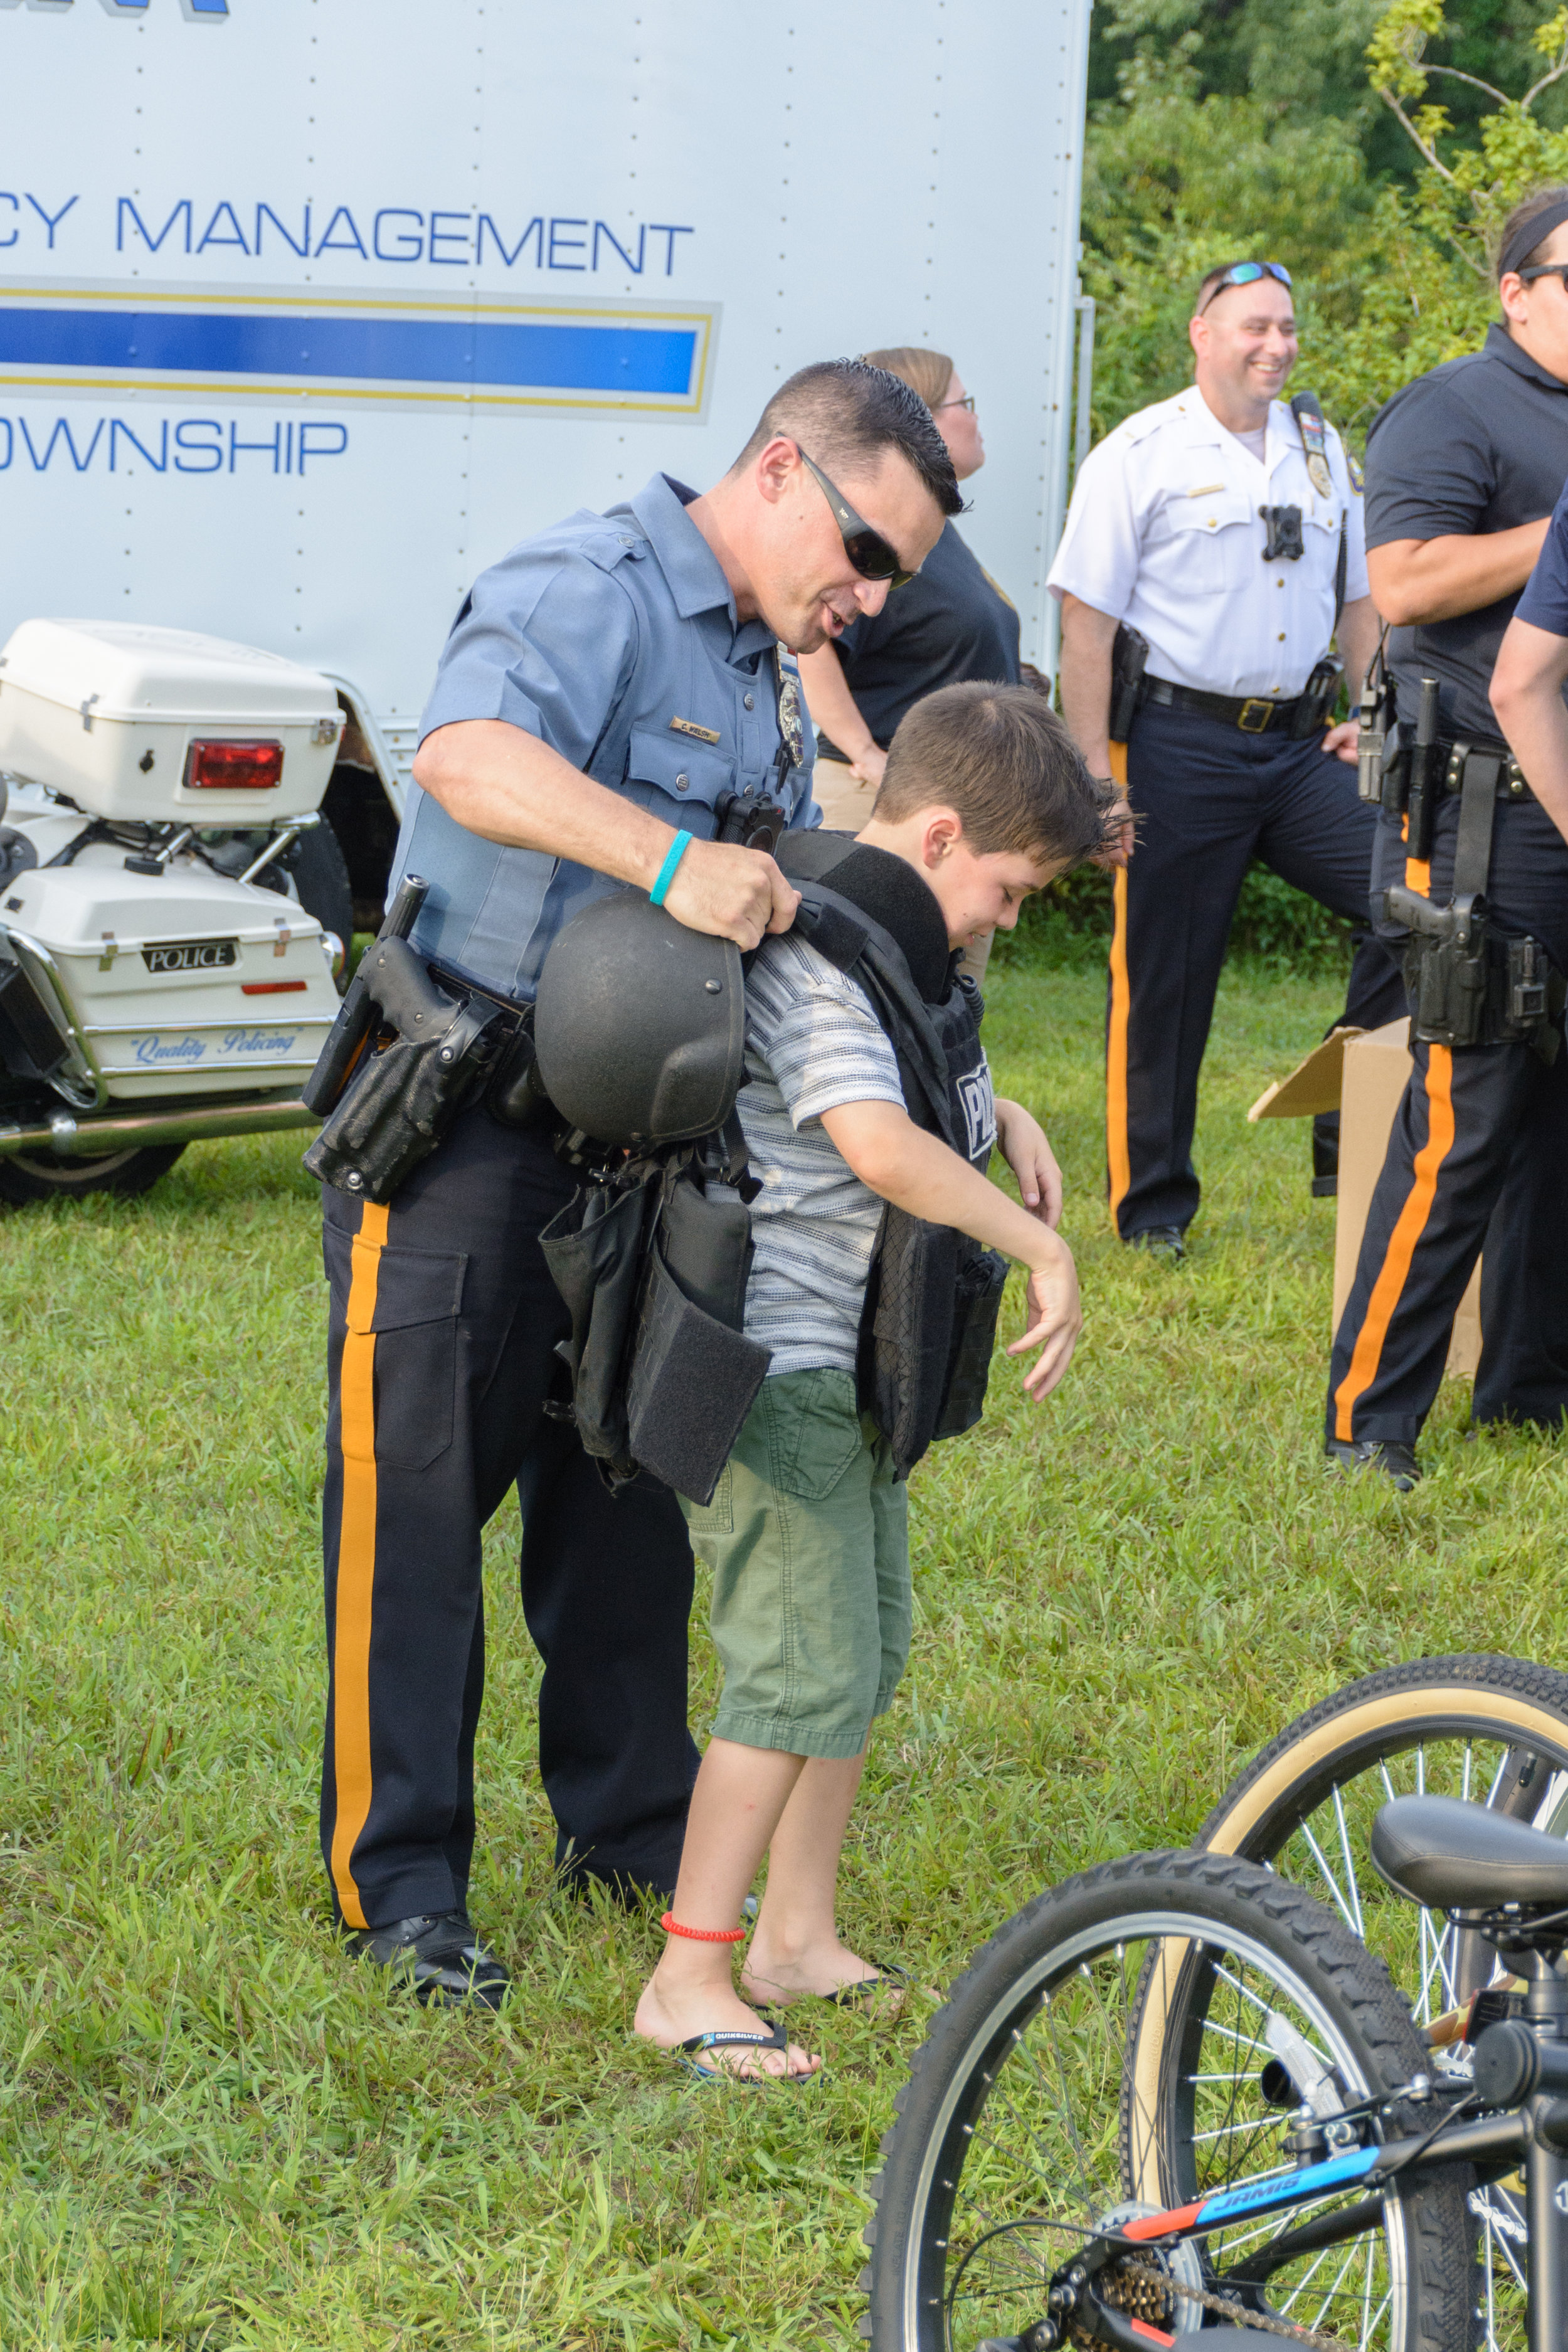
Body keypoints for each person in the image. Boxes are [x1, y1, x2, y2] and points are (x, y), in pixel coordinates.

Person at [316, 359, 960, 2007]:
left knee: (620, 1481)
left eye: (891, 574)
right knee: (419, 1503)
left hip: (637, 1141)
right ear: (773, 471)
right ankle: (402, 1881)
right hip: (463, 1111)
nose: (867, 596)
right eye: (863, 551)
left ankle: (628, 1823)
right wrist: (666, 856)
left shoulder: (765, 662)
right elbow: (462, 754)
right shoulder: (588, 581)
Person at [632, 683, 1101, 2080]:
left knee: (860, 1649)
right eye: (1009, 893)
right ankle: (688, 1971)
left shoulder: (898, 951)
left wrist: (1002, 1111)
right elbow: (872, 1145)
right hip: (772, 1375)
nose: (1002, 924)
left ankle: (796, 1936)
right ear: (943, 837)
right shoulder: (818, 954)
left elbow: (916, 1091)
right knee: (791, 1668)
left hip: (846, 1378)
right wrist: (1037, 1248)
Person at [1049, 258, 1406, 1259]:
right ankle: (1153, 1208)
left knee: (1413, 895)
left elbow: (1361, 600)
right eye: (1255, 327)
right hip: (1179, 743)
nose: (1277, 346)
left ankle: (1348, 1125)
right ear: (1202, 333)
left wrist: (1373, 711)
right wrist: (1095, 776)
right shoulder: (1141, 452)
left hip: (1299, 745)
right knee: (1166, 979)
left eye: (1288, 327)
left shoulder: (1320, 444)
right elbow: (1086, 624)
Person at [1326, 187, 1568, 1490]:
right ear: (1512, 289)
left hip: (1562, 798)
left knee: (1553, 1123)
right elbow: (1404, 581)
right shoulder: (1450, 407)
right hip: (1475, 813)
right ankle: (1367, 1419)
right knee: (1458, 1117)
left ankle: (1527, 1393)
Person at [798, 345, 1022, 978]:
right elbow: (813, 647)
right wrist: (865, 754)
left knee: (942, 1029)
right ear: (917, 419)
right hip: (887, 816)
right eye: (963, 404)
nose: (976, 421)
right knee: (880, 1015)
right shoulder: (884, 539)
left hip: (952, 822)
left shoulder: (936, 536)